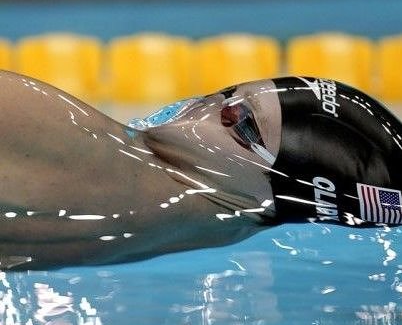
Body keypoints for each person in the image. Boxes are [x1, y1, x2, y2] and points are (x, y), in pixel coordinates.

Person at [0, 70, 401, 269]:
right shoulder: (220, 228)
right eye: (230, 93)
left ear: (279, 190)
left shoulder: (57, 130)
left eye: (244, 125)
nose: (218, 105)